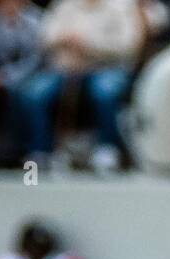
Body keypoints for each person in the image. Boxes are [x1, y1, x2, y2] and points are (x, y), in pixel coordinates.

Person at [17, 0, 144, 172]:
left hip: (106, 68)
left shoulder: (122, 6)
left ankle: (107, 149)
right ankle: (41, 150)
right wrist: (66, 39)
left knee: (105, 92)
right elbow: (44, 37)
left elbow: (128, 45)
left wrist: (89, 44)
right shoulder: (64, 5)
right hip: (64, 70)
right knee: (33, 93)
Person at [0, 0, 43, 167]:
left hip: (26, 77)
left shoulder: (35, 21)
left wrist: (3, 78)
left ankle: (20, 149)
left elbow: (35, 60)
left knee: (22, 93)